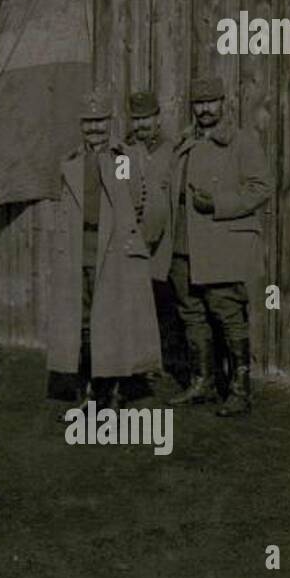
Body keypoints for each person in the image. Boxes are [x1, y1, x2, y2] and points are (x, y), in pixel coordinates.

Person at [47, 89, 161, 410]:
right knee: (80, 321)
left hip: (111, 253)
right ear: (80, 125)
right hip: (78, 250)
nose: (94, 129)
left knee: (110, 322)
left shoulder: (122, 158)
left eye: (100, 122)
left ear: (109, 123)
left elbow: (135, 202)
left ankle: (108, 392)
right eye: (88, 123)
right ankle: (86, 393)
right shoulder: (70, 161)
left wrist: (129, 242)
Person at [164, 76, 270, 416]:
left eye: (212, 102)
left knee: (227, 314)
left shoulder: (242, 142)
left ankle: (240, 391)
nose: (205, 109)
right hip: (182, 244)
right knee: (191, 314)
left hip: (220, 245)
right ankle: (202, 383)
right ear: (192, 106)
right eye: (199, 103)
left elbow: (262, 187)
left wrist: (220, 204)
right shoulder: (184, 141)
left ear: (224, 102)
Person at [125, 90, 184, 379]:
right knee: (136, 305)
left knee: (167, 304)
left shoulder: (171, 151)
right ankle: (142, 363)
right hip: (134, 241)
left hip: (164, 245)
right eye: (136, 120)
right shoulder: (124, 151)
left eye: (146, 119)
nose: (141, 126)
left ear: (157, 119)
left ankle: (171, 361)